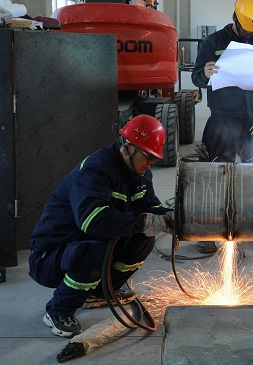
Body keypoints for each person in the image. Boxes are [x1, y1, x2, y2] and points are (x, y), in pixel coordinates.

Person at [28, 114, 174, 338]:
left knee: (144, 239)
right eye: (147, 156)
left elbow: (149, 206)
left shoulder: (140, 173)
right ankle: (58, 310)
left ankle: (99, 292)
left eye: (154, 157)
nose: (151, 162)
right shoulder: (96, 170)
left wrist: (172, 218)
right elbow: (92, 221)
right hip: (50, 256)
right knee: (94, 250)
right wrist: (143, 222)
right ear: (127, 148)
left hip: (83, 245)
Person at [191, 0, 253, 254]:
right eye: (247, 29)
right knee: (216, 176)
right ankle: (208, 230)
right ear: (235, 17)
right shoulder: (213, 42)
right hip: (223, 119)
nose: (250, 34)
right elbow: (196, 78)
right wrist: (203, 73)